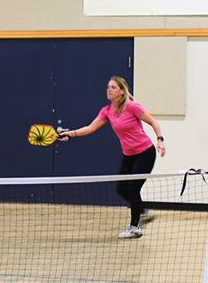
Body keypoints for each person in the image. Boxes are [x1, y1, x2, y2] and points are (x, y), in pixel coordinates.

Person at [60, 76, 165, 239]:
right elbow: (90, 128)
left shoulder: (132, 107)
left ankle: (134, 227)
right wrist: (70, 134)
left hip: (145, 153)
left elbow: (153, 122)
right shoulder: (107, 111)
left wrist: (160, 140)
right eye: (108, 87)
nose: (109, 90)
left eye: (113, 87)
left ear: (122, 91)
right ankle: (143, 211)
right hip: (128, 155)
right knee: (121, 189)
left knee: (133, 188)